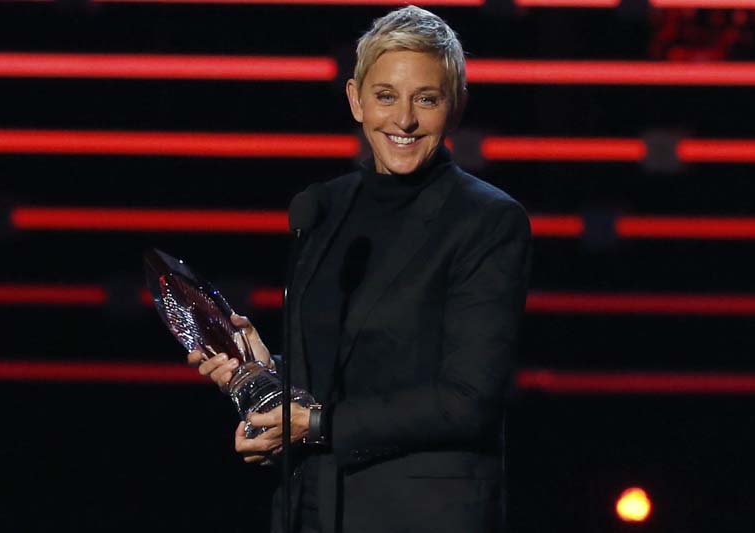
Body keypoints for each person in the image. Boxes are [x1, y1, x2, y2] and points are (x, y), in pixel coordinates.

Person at [187, 5, 532, 533]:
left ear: (456, 105)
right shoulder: (323, 208)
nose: (404, 120)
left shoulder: (486, 221)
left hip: (421, 517)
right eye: (386, 96)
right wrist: (265, 374)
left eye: (426, 99)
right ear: (356, 99)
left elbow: (469, 400)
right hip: (312, 509)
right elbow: (347, 370)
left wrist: (315, 424)